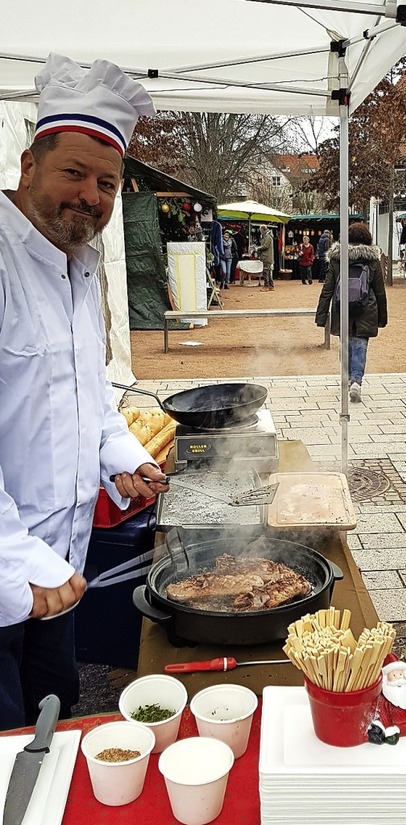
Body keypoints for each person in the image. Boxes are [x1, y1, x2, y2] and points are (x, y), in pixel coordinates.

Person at [0, 53, 169, 730]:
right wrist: (20, 562)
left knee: (55, 721)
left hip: (60, 575)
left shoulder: (77, 263)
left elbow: (87, 393)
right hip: (14, 572)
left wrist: (122, 455)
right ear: (27, 166)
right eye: (73, 172)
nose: (91, 196)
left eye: (107, 181)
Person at [315, 222, 387, 403]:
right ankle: (357, 381)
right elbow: (379, 291)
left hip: (342, 308)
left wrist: (322, 316)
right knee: (360, 345)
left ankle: (346, 379)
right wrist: (382, 318)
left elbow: (327, 289)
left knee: (345, 344)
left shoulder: (337, 259)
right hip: (366, 309)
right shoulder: (372, 260)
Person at [256, 224, 275, 291]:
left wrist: (258, 248)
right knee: (269, 272)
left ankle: (266, 286)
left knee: (266, 272)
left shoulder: (267, 237)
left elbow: (266, 246)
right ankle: (271, 285)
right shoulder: (267, 236)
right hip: (267, 256)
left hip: (266, 256)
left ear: (262, 229)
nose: (259, 231)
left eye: (260, 229)